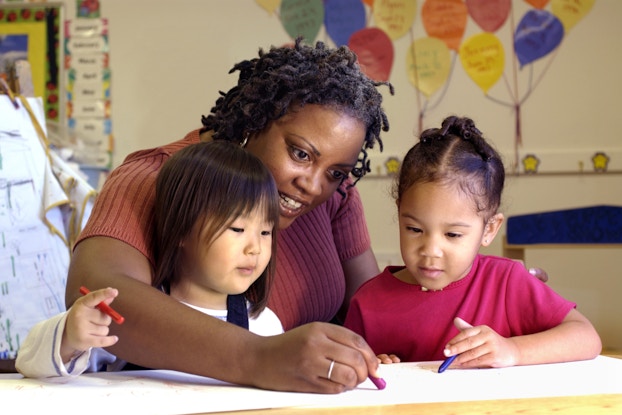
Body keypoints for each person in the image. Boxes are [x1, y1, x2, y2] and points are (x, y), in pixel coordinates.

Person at [63, 38, 545, 392]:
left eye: (336, 171)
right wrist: (257, 357)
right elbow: (105, 299)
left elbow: (375, 309)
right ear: (254, 123)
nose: (313, 186)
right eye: (299, 154)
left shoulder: (335, 198)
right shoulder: (157, 177)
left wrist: (494, 313)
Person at [344, 116, 602, 369]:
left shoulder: (507, 282)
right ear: (399, 213)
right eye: (414, 229)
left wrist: (512, 350)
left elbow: (586, 337)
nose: (430, 250)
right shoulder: (368, 302)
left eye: (452, 235)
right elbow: (351, 369)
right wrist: (373, 366)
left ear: (489, 229)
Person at [16, 141, 283, 378]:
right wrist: (68, 337)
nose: (255, 248)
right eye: (237, 229)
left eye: (265, 232)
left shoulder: (265, 326)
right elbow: (29, 363)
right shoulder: (129, 317)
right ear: (181, 229)